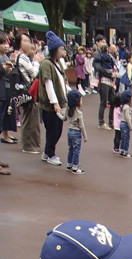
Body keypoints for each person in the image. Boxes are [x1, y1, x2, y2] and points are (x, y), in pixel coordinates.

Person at [38, 31, 68, 166]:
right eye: (61, 48)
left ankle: (47, 152)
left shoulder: (57, 63)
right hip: (50, 105)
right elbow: (48, 84)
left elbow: (62, 82)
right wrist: (55, 102)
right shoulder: (46, 64)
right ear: (55, 49)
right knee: (53, 130)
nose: (63, 51)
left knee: (57, 129)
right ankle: (50, 154)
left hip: (58, 103)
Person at [64, 90, 87, 175]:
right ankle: (75, 167)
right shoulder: (79, 113)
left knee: (70, 149)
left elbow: (64, 118)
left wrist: (58, 113)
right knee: (76, 150)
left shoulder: (68, 109)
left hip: (69, 131)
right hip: (76, 133)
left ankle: (69, 165)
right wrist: (85, 136)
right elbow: (81, 126)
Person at [94, 43, 116, 130]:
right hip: (104, 81)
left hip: (108, 81)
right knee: (103, 102)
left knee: (112, 102)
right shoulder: (100, 57)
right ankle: (101, 122)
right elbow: (99, 69)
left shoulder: (102, 57)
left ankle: (110, 122)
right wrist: (110, 74)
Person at [119, 90, 132, 158]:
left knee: (122, 138)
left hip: (121, 123)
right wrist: (130, 126)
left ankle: (121, 150)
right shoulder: (127, 107)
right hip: (125, 123)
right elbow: (127, 117)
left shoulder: (122, 106)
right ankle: (126, 152)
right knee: (126, 138)